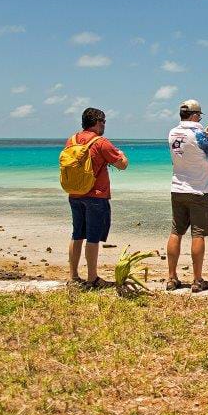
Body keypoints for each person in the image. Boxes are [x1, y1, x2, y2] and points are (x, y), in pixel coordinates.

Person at [66, 107, 128, 289]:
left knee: (77, 235)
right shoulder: (101, 142)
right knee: (92, 237)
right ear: (98, 122)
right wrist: (123, 155)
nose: (105, 125)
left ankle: (74, 276)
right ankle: (92, 278)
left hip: (75, 193)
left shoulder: (71, 140)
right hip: (96, 196)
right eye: (104, 122)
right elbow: (121, 165)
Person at [166, 99, 208, 293]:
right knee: (198, 234)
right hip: (199, 190)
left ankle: (171, 277)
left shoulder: (173, 132)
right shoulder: (199, 134)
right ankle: (197, 279)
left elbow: (191, 147)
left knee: (176, 232)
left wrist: (205, 136)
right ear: (195, 115)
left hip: (177, 188)